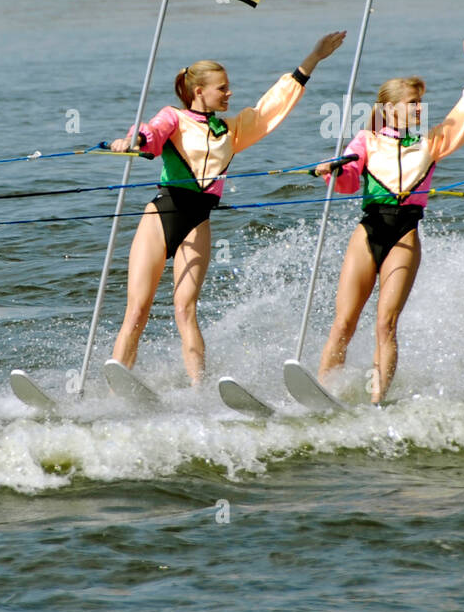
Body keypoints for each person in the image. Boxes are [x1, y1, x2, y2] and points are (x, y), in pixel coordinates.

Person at [110, 32, 346, 382]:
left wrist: (312, 59)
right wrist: (134, 140)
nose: (229, 93)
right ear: (198, 91)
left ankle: (199, 389)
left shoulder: (230, 131)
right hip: (162, 214)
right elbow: (152, 133)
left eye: (228, 86)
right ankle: (117, 385)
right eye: (222, 88)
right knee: (137, 311)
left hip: (197, 221)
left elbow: (269, 109)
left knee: (185, 310)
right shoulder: (175, 117)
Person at [315, 39, 464, 405]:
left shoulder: (431, 142)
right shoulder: (367, 139)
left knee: (385, 325)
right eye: (412, 104)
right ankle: (324, 393)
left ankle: (377, 401)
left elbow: (463, 118)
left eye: (420, 104)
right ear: (389, 109)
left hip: (405, 235)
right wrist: (334, 168)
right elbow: (348, 179)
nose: (419, 110)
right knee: (344, 322)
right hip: (369, 231)